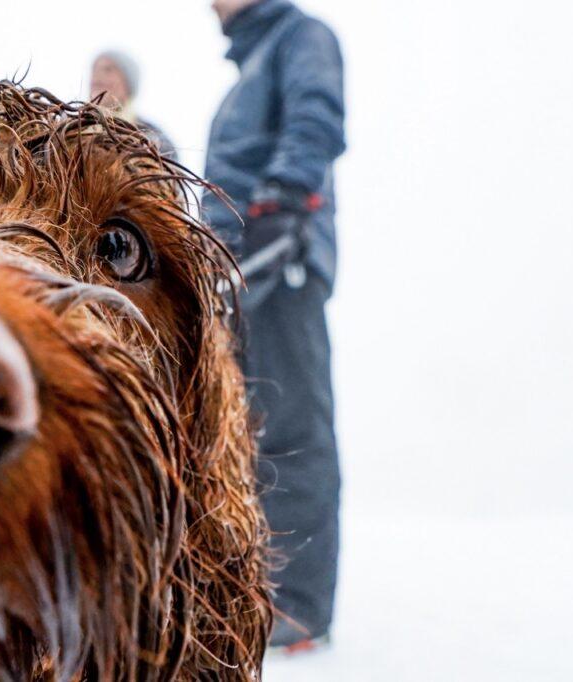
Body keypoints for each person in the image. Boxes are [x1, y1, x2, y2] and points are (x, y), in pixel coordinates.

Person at [204, 0, 347, 652]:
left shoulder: (301, 37)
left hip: (279, 254)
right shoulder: (246, 73)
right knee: (240, 430)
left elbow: (315, 115)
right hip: (238, 271)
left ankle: (301, 607)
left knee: (292, 428)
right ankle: (246, 592)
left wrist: (287, 197)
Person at [90, 50, 177, 159]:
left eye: (108, 70)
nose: (97, 77)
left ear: (128, 83)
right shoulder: (70, 128)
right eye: (94, 70)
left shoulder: (154, 138)